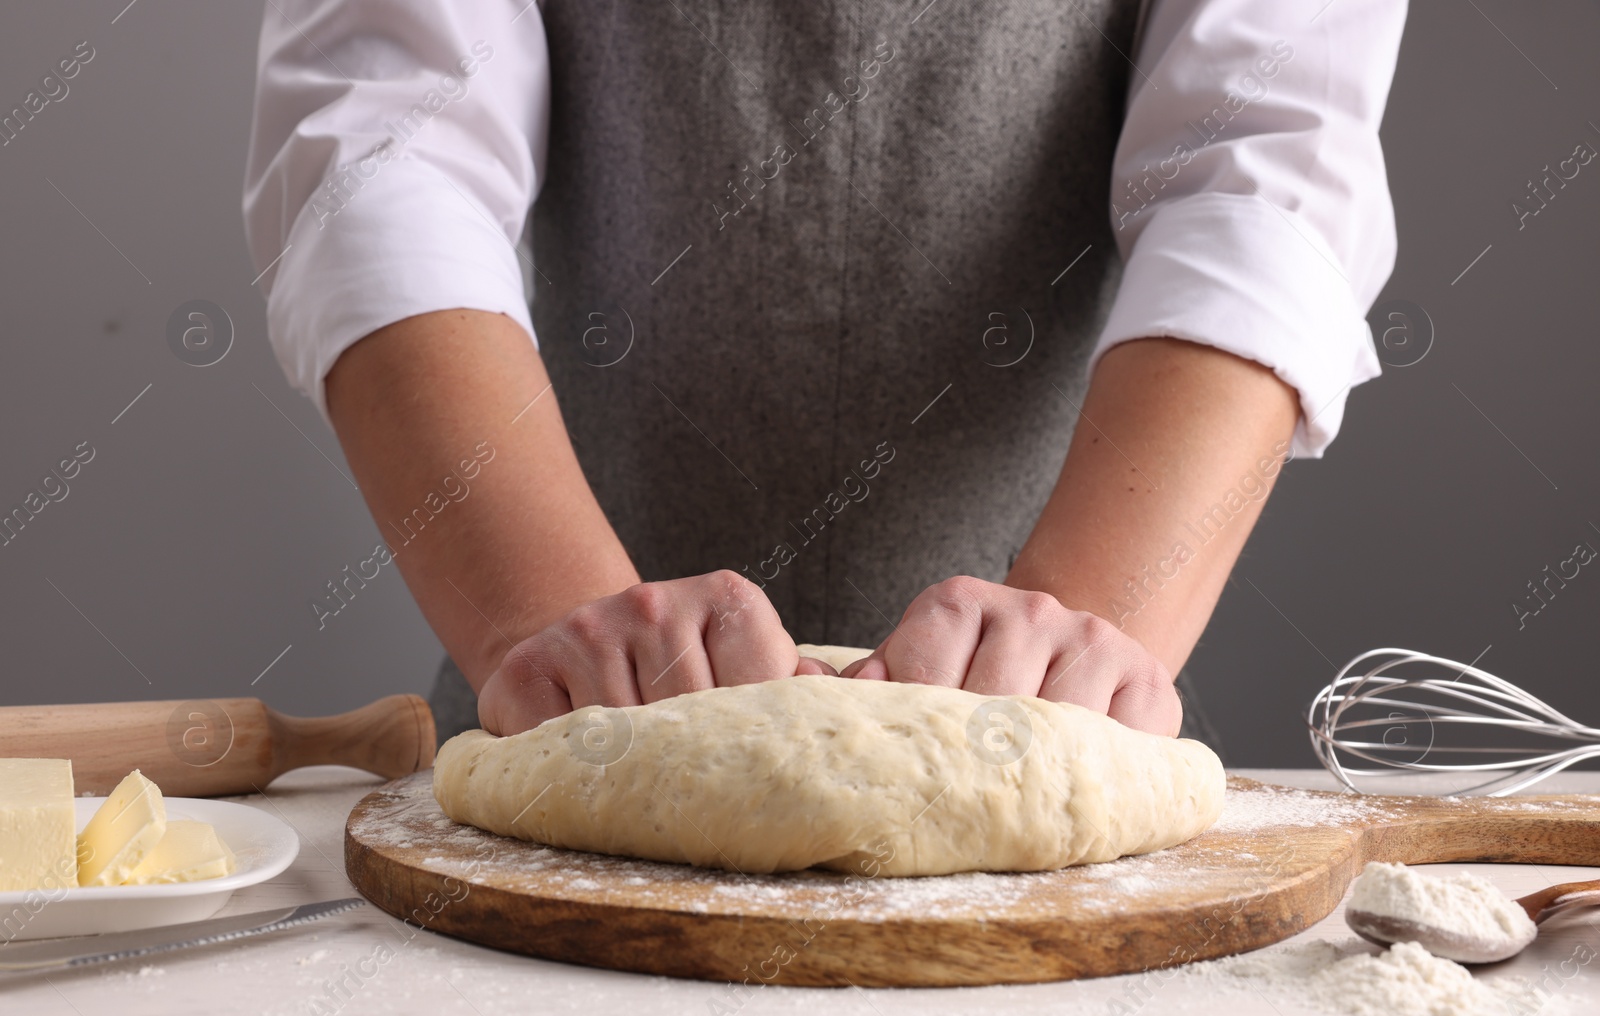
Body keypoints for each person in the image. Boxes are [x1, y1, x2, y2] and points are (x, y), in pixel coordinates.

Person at [243, 0, 1405, 743]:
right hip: (550, 720)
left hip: (1058, 732)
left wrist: (1079, 655)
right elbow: (387, 156)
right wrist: (549, 635)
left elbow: (1255, 178)